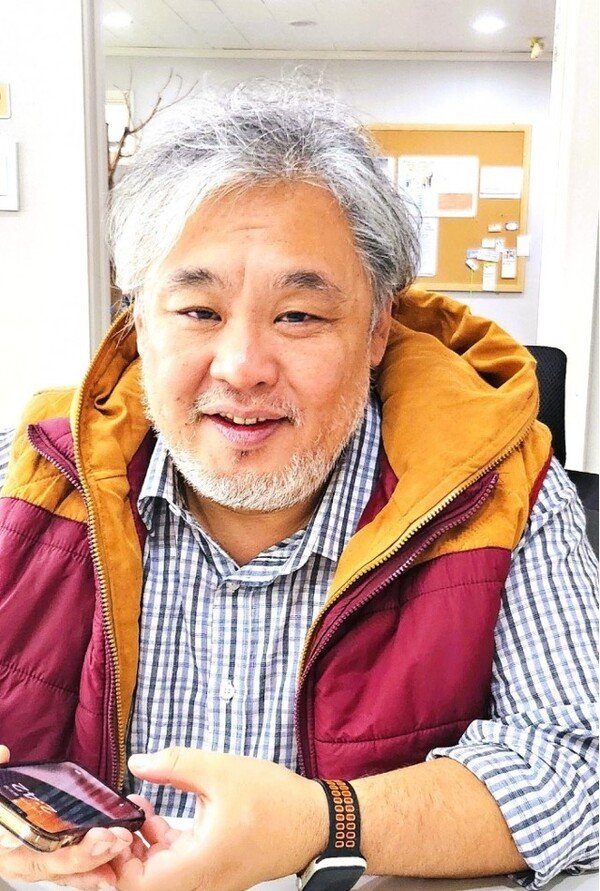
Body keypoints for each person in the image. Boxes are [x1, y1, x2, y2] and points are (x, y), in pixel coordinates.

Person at [0, 81, 597, 891]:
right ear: (137, 319)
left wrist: (326, 822)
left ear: (378, 326)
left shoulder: (503, 485)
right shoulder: (30, 476)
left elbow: (580, 762)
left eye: (299, 316)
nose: (242, 367)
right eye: (198, 310)